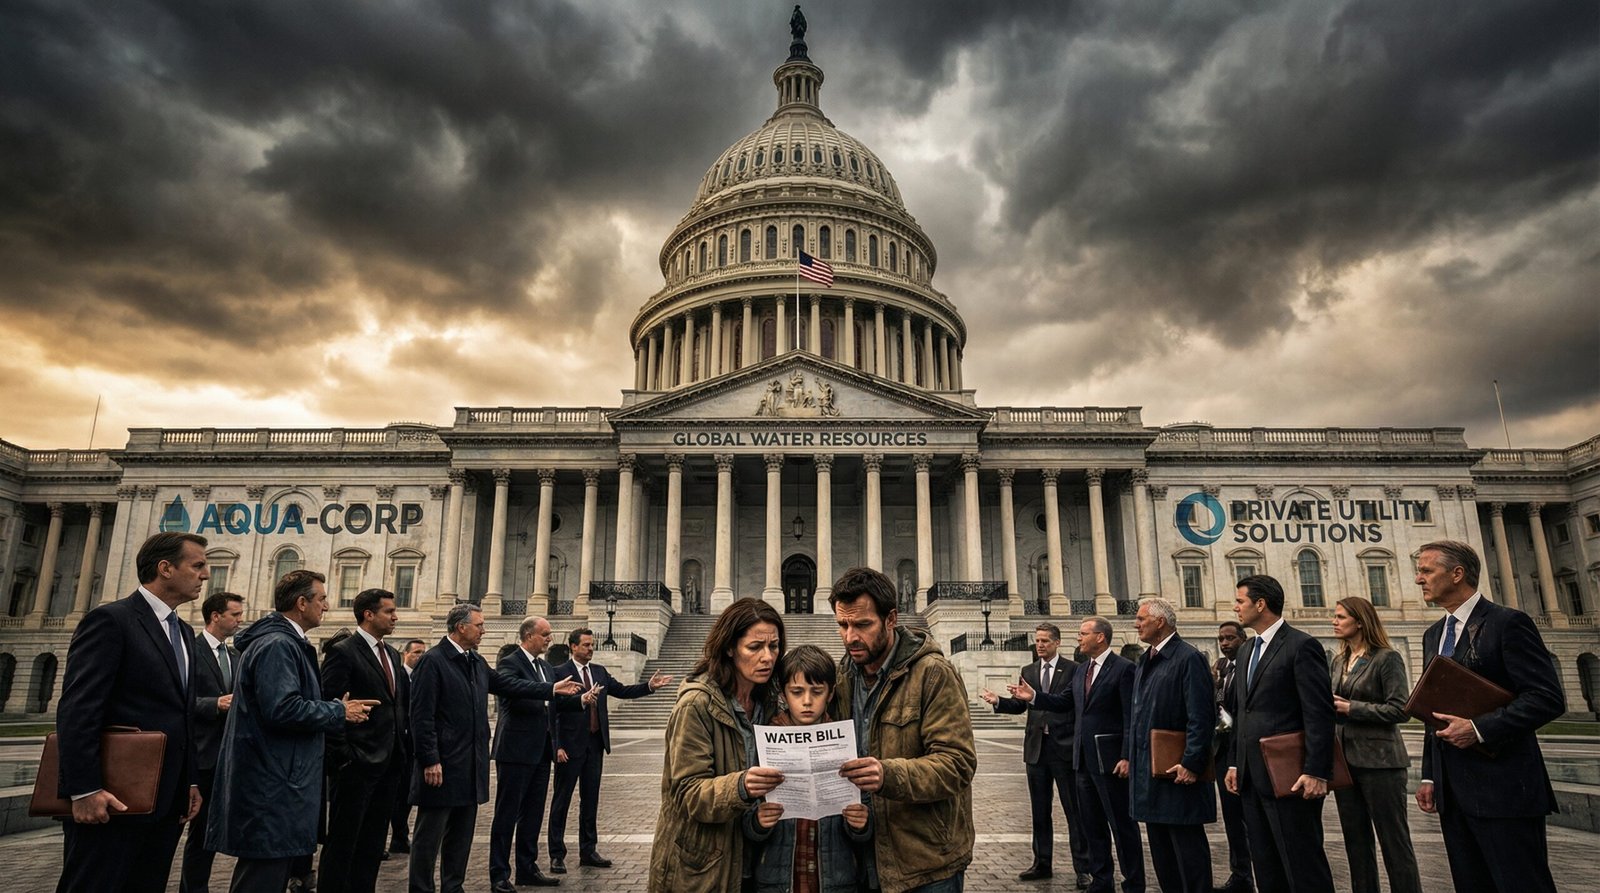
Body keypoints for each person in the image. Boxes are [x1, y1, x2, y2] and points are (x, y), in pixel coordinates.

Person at [207, 569, 378, 893]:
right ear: (302, 603)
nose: (326, 606)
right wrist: (338, 711)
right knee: (262, 877)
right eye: (322, 599)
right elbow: (282, 708)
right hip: (273, 785)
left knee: (270, 872)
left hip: (281, 781)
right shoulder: (277, 645)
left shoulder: (285, 643)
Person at [54, 532, 206, 893]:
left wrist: (190, 780)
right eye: (197, 565)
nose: (205, 574)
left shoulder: (183, 631)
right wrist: (83, 789)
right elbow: (79, 709)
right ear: (165, 568)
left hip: (165, 802)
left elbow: (182, 714)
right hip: (113, 796)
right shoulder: (111, 620)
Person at [1414, 540, 1564, 893]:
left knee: (1520, 884)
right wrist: (1429, 776)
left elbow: (1546, 697)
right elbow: (1432, 709)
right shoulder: (1433, 634)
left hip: (1504, 788)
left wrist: (1480, 729)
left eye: (1426, 571)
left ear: (1457, 574)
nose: (1419, 579)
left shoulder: (1507, 623)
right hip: (1453, 792)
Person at [409, 604, 582, 893]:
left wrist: (550, 689)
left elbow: (508, 684)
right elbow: (421, 716)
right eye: (479, 626)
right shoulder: (433, 661)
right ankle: (421, 888)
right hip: (442, 762)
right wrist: (429, 759)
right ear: (461, 627)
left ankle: (453, 887)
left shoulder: (475, 660)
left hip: (470, 761)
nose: (483, 631)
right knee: (431, 834)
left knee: (461, 834)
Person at [831, 566, 976, 893]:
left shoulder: (933, 674)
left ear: (891, 618)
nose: (850, 636)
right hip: (866, 855)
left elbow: (958, 763)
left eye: (862, 624)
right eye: (843, 625)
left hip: (925, 860)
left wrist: (888, 775)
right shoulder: (844, 674)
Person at [648, 597, 786, 892]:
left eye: (773, 646)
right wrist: (741, 786)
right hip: (704, 866)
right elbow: (688, 794)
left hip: (756, 860)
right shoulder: (696, 705)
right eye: (755, 647)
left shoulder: (771, 705)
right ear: (729, 648)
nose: (767, 657)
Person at [1011, 617, 1143, 893]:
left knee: (1121, 827)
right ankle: (1101, 880)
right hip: (1082, 760)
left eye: (1083, 634)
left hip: (1110, 761)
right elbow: (1063, 702)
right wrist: (1033, 696)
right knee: (1092, 824)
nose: (1078, 638)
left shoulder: (1124, 669)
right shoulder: (1082, 670)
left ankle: (1133, 882)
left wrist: (1127, 755)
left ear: (1100, 638)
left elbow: (1131, 717)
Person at [1224, 575, 1335, 893]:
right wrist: (1234, 762)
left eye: (1241, 601)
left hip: (1290, 777)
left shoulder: (1302, 646)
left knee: (1302, 866)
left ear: (1261, 604)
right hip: (1251, 778)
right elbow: (1240, 715)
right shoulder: (1245, 651)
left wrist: (1316, 770)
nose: (1236, 607)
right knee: (1267, 867)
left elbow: (1319, 713)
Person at [744, 644, 872, 893]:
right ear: (783, 694)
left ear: (831, 694)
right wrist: (757, 823)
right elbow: (745, 810)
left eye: (817, 692)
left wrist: (861, 824)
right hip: (778, 878)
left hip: (835, 878)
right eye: (797, 691)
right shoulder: (765, 742)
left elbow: (865, 808)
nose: (807, 701)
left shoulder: (845, 740)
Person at [548, 627, 674, 873]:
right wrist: (557, 745)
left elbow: (622, 691)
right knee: (561, 801)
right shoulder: (559, 673)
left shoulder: (599, 672)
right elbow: (554, 712)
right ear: (573, 647)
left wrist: (649, 686)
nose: (591, 649)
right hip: (569, 747)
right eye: (586, 645)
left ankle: (588, 850)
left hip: (594, 745)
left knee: (590, 800)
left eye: (592, 645)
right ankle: (556, 854)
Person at [979, 623, 1091, 885]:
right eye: (1037, 641)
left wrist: (1033, 696)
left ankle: (1082, 868)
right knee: (1039, 811)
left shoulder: (1073, 669)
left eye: (1044, 641)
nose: (1039, 645)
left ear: (1057, 642)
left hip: (1063, 747)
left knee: (1073, 811)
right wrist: (999, 702)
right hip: (1036, 749)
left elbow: (1066, 702)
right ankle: (1041, 863)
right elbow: (1021, 705)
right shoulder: (1028, 670)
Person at [318, 588, 411, 893]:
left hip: (388, 764)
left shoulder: (392, 653)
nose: (395, 616)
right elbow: (329, 708)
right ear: (369, 615)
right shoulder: (344, 651)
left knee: (372, 844)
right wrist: (345, 757)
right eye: (389, 611)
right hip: (356, 766)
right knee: (344, 842)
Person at [1328, 596, 1421, 893]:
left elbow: (1400, 709)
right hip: (1345, 763)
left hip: (1381, 762)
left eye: (1341, 616)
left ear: (1359, 621)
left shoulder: (1386, 658)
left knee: (1394, 842)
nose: (1335, 621)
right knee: (1356, 842)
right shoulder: (1338, 660)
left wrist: (1351, 708)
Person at [1126, 598, 1214, 893]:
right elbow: (1138, 716)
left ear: (1160, 622)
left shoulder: (1188, 658)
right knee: (1163, 856)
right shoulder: (1145, 659)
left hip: (1178, 773)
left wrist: (1192, 762)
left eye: (1141, 619)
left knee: (1187, 853)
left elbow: (1201, 717)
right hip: (1151, 773)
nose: (1136, 624)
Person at [489, 617, 577, 890]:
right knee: (507, 814)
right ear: (529, 636)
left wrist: (580, 701)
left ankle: (527, 868)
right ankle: (500, 874)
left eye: (550, 634)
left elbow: (553, 703)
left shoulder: (545, 667)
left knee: (533, 813)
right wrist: (551, 689)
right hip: (515, 749)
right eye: (545, 634)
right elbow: (514, 690)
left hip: (541, 750)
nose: (550, 639)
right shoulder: (509, 663)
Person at [182, 590, 244, 893]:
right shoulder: (190, 650)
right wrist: (214, 704)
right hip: (195, 754)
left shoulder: (235, 655)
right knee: (180, 832)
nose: (239, 620)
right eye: (234, 614)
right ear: (215, 616)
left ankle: (194, 888)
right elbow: (178, 701)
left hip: (223, 757)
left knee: (205, 833)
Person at [1211, 621, 1252, 893]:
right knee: (1232, 818)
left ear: (1243, 640)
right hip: (1224, 750)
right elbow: (1222, 709)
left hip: (1247, 751)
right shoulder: (1222, 668)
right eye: (1221, 639)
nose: (1224, 643)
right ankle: (1241, 875)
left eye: (1230, 639)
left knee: (1251, 817)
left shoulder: (1250, 667)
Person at [390, 637, 427, 857]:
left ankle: (400, 837)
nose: (420, 657)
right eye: (416, 653)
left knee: (407, 793)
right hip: (400, 743)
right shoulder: (398, 676)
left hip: (415, 744)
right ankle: (398, 837)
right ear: (406, 654)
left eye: (423, 653)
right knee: (398, 793)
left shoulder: (422, 677)